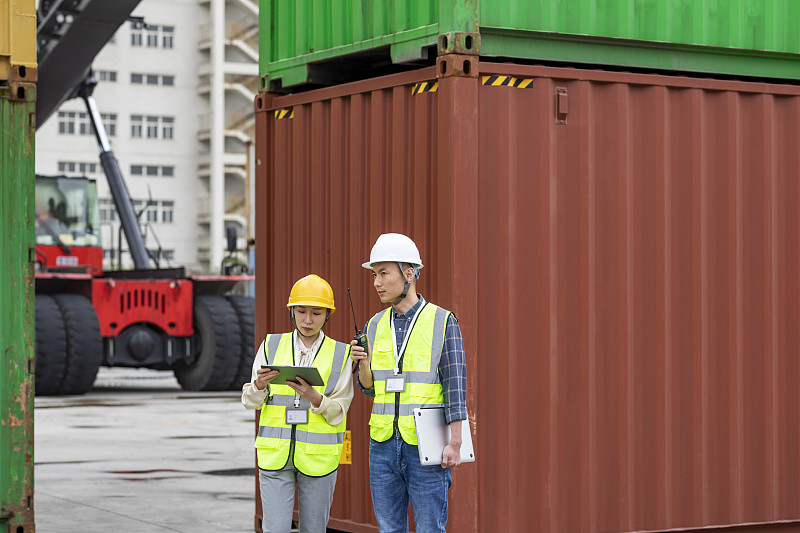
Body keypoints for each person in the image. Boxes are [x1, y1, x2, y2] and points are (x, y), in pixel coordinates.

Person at [350, 233, 468, 533]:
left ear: (409, 273)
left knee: (430, 529)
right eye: (374, 274)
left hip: (425, 445)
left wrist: (456, 441)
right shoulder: (374, 325)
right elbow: (369, 387)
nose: (376, 282)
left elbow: (455, 384)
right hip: (383, 445)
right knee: (389, 529)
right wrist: (362, 364)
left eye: (383, 273)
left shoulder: (442, 321)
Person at [242, 274, 353, 533]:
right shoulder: (271, 345)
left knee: (314, 530)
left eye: (316, 313)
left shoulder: (341, 354)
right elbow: (249, 402)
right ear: (291, 311)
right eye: (301, 311)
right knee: (275, 529)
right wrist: (258, 386)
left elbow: (340, 411)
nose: (307, 320)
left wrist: (317, 399)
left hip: (318, 459)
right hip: (275, 454)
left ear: (328, 315)